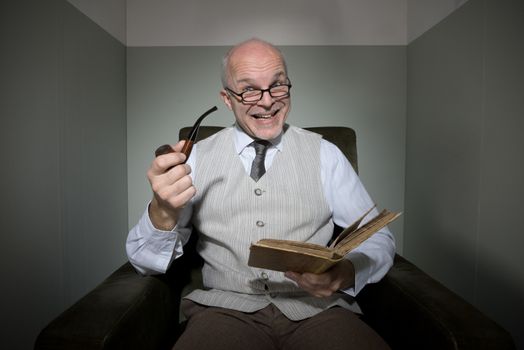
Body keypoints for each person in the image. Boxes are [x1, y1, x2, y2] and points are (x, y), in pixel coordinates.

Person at [126, 38, 395, 350]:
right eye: (249, 89)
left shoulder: (326, 154)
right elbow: (143, 262)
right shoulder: (195, 158)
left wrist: (345, 273)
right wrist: (162, 212)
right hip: (222, 312)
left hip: (319, 311)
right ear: (227, 99)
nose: (267, 102)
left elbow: (378, 239)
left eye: (277, 85)